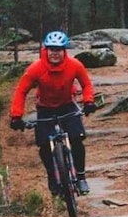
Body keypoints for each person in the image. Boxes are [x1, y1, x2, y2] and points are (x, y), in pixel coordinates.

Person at [9, 30, 97, 196]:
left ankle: (81, 177)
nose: (54, 53)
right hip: (45, 108)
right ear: (46, 50)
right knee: (43, 145)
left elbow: (86, 84)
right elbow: (21, 91)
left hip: (67, 105)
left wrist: (89, 101)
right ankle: (52, 177)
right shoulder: (36, 68)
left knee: (76, 139)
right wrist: (16, 116)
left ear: (64, 50)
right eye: (51, 49)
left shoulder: (74, 65)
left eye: (58, 49)